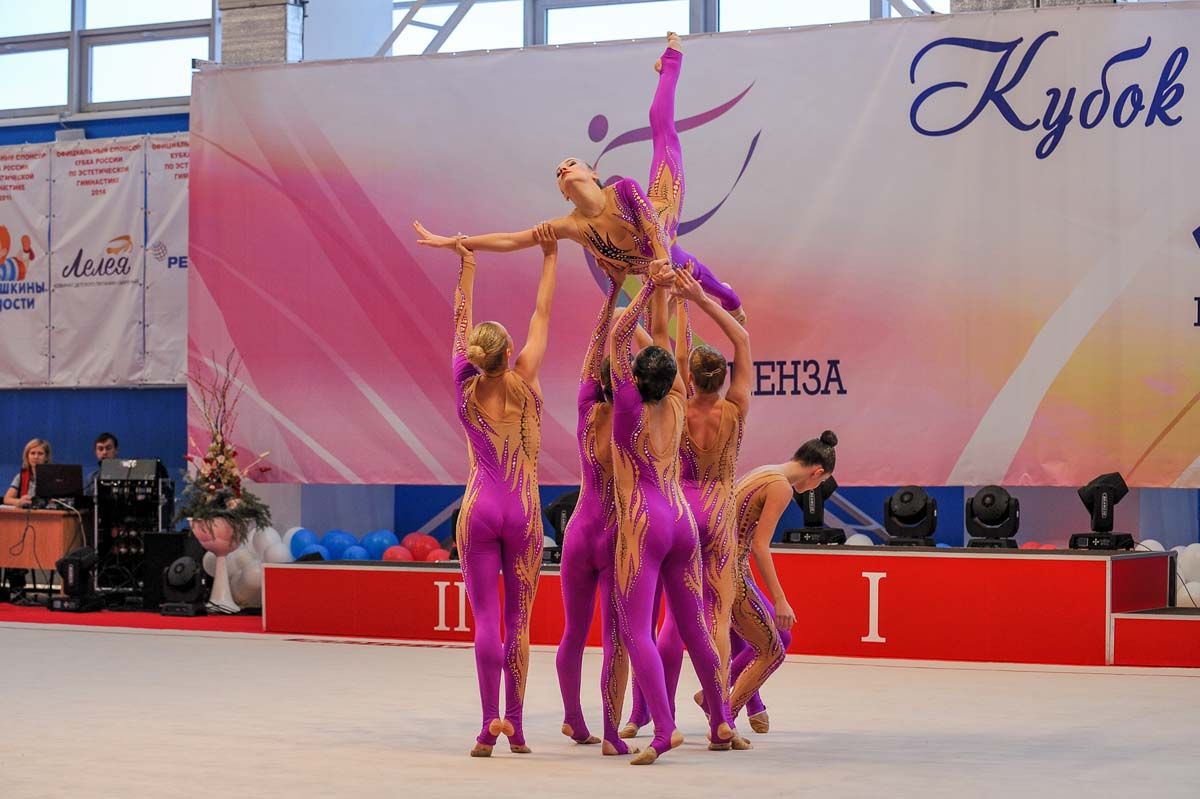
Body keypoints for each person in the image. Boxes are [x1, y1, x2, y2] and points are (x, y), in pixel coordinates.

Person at [413, 33, 746, 323]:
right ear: (564, 193)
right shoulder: (572, 226)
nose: (564, 170)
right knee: (682, 283)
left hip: (663, 211)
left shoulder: (625, 190)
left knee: (661, 129)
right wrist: (455, 242)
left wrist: (661, 263)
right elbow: (512, 240)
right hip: (648, 262)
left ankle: (671, 64)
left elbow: (656, 232)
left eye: (570, 163)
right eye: (558, 173)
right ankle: (727, 296)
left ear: (593, 172)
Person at [609, 270, 736, 765]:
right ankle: (721, 719)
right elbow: (662, 344)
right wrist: (661, 287)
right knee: (695, 625)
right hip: (680, 518)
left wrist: (634, 286)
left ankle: (664, 729)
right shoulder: (680, 400)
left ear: (636, 379)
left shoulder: (626, 408)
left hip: (645, 522)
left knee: (636, 628)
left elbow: (618, 335)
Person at [450, 224, 558, 757]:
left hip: (478, 508)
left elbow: (460, 318)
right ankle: (514, 724)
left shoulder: (462, 382)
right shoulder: (526, 377)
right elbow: (543, 314)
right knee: (519, 623)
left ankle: (485, 727)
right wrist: (549, 257)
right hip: (523, 511)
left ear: (475, 355)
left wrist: (467, 264)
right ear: (509, 351)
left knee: (487, 622)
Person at [555, 274, 640, 756]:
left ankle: (572, 717)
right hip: (614, 536)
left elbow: (596, 349)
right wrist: (647, 290)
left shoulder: (587, 408)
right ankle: (610, 732)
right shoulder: (631, 418)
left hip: (578, 531)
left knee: (573, 631)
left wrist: (613, 292)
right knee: (615, 638)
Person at [725, 432, 839, 728]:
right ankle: (723, 716)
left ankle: (727, 704)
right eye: (821, 482)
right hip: (730, 572)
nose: (816, 488)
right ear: (817, 472)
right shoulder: (781, 487)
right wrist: (780, 599)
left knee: (765, 638)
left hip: (723, 566)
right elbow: (760, 546)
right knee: (773, 649)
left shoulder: (765, 471)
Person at [4, 439, 51, 509]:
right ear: (27, 456)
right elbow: (7, 499)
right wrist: (19, 501)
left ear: (46, 457)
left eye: (40, 453)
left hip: (48, 514)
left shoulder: (54, 477)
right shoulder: (21, 477)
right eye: (32, 453)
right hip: (26, 514)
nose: (36, 457)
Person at [84, 432, 119, 498]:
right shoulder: (91, 479)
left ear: (116, 450)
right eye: (100, 449)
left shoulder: (126, 475)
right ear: (96, 452)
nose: (104, 452)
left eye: (108, 448)